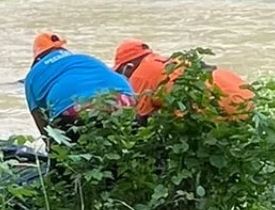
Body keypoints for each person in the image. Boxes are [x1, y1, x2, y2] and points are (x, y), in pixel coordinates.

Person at [24, 32, 135, 141]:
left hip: (74, 107)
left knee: (72, 147)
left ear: (37, 58)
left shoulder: (32, 76)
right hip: (124, 97)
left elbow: (40, 119)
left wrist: (51, 147)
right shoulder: (83, 58)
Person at [113, 40, 254, 122]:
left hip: (224, 113)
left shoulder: (141, 74)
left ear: (128, 67)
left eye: (120, 73)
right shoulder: (168, 62)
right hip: (245, 101)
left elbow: (139, 119)